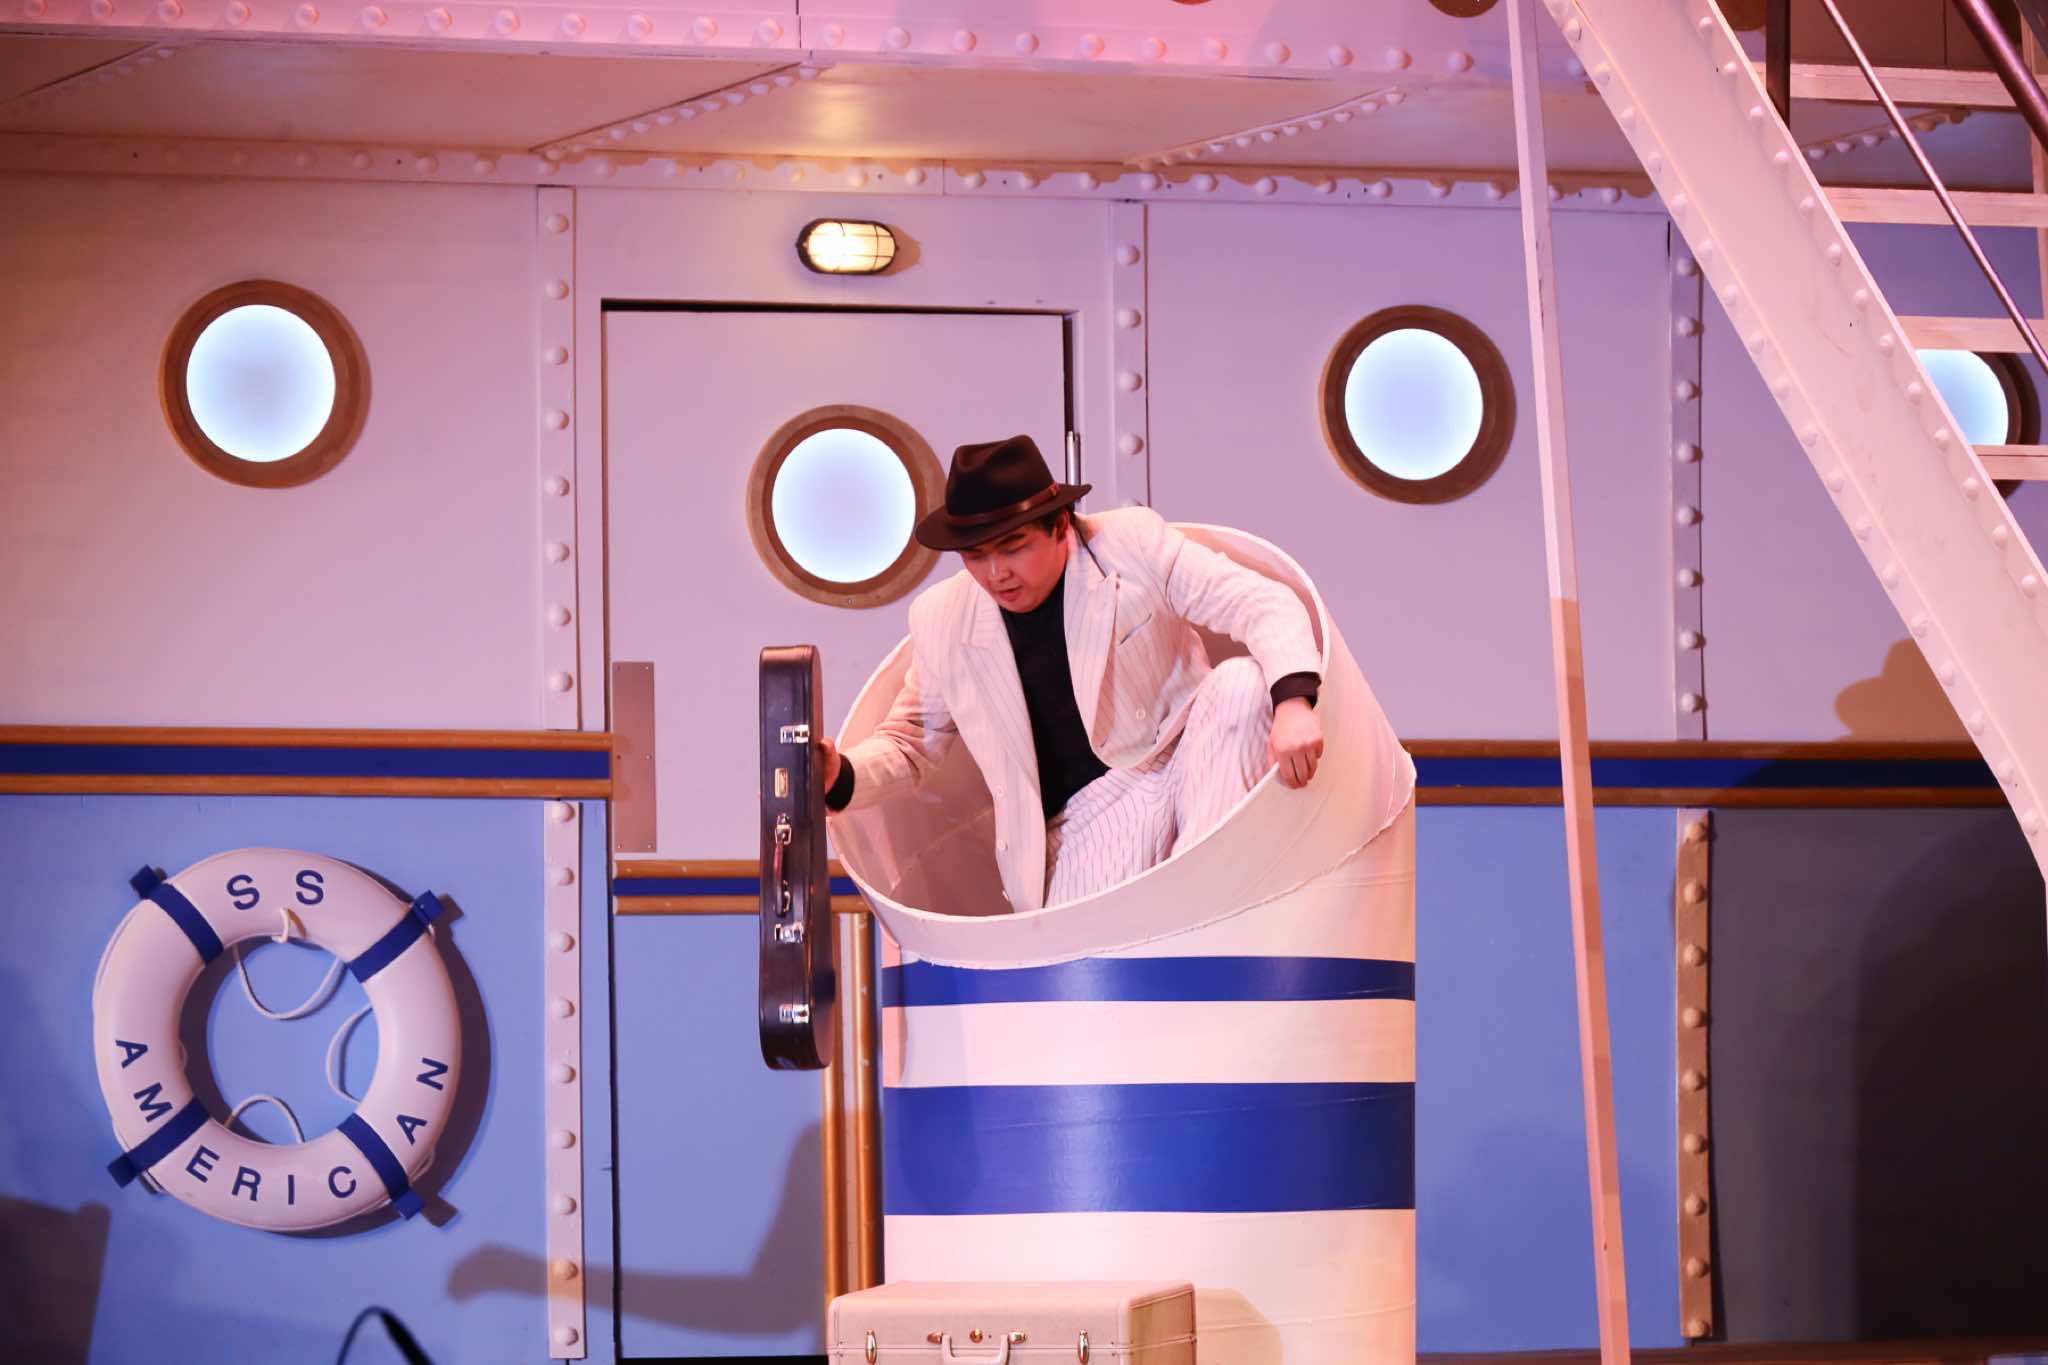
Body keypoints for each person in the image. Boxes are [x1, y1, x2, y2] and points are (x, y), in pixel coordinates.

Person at [820, 434, 1326, 912]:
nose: (996, 573)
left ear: (1061, 526)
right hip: (1084, 820)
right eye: (976, 556)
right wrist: (838, 775)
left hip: (1185, 752)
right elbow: (910, 741)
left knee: (1243, 684)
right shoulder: (942, 617)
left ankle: (1209, 906)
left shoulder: (1130, 542)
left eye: (1013, 547)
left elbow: (1258, 601)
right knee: (1098, 950)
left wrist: (1294, 702)